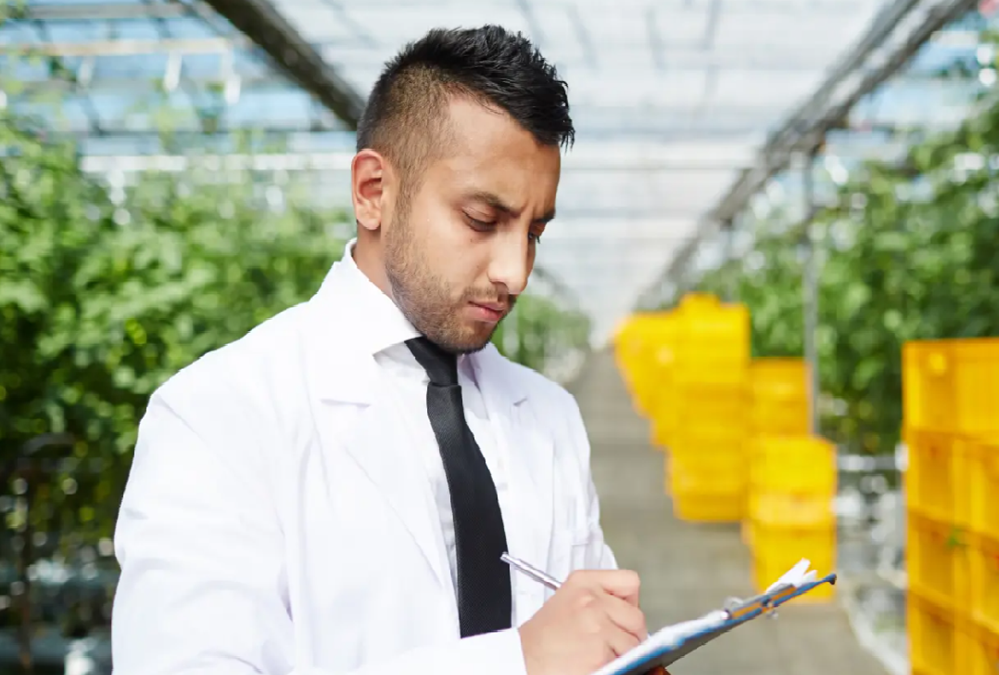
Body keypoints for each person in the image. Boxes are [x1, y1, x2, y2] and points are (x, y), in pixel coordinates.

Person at [110, 25, 657, 675]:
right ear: (373, 191)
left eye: (534, 232)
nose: (515, 271)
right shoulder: (218, 416)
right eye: (482, 220)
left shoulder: (549, 416)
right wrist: (517, 658)